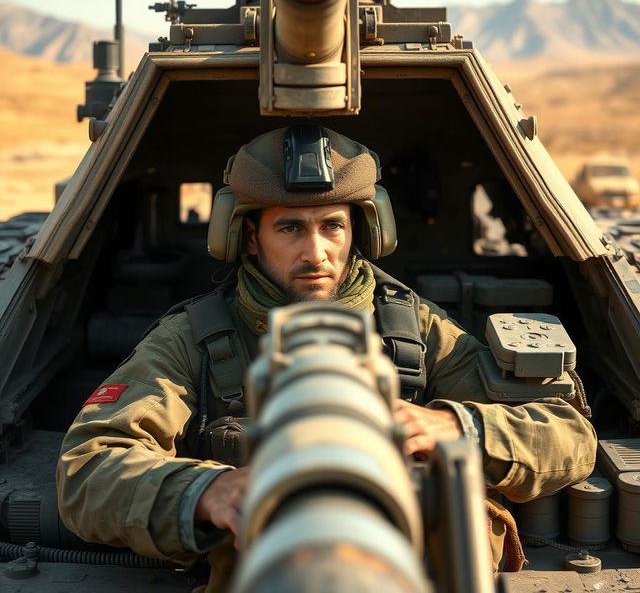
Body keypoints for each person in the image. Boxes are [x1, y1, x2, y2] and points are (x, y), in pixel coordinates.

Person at [57, 125, 597, 568]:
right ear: (250, 237)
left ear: (358, 231)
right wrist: (207, 491)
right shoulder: (196, 338)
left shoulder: (412, 331)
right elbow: (88, 469)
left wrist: (458, 426)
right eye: (290, 228)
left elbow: (570, 435)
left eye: (332, 226)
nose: (315, 252)